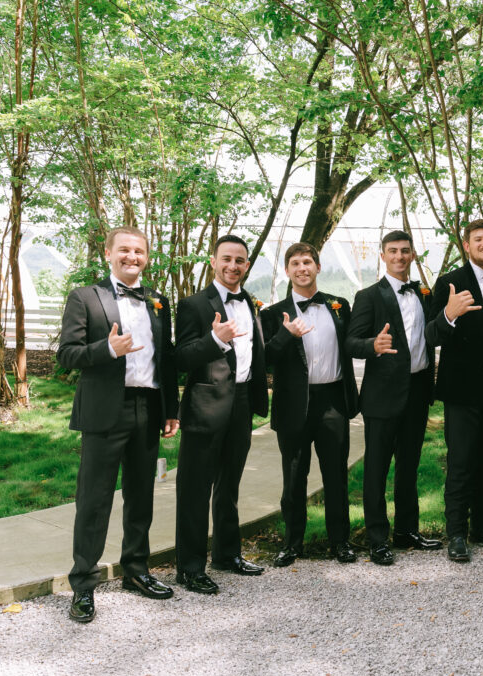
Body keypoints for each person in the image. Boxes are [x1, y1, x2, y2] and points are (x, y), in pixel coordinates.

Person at [57, 228, 180, 623]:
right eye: (124, 250)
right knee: (94, 500)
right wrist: (108, 348)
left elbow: (167, 360)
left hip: (148, 408)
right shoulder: (85, 297)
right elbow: (66, 355)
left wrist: (170, 409)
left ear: (147, 256)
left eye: (139, 251)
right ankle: (83, 585)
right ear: (108, 253)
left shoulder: (158, 301)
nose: (132, 257)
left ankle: (136, 571)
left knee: (141, 496)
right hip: (104, 412)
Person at [174, 234, 269, 594]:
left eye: (240, 260)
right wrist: (214, 341)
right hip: (205, 406)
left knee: (229, 485)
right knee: (195, 489)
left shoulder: (251, 303)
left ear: (246, 265)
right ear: (214, 261)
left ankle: (227, 554)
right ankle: (190, 567)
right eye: (226, 259)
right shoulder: (194, 304)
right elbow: (180, 358)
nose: (233, 266)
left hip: (241, 403)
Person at [345, 230, 442, 565]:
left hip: (417, 391)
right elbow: (351, 341)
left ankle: (406, 531)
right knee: (376, 470)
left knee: (409, 467)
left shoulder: (424, 294)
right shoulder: (369, 296)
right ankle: (377, 539)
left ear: (412, 255)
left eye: (405, 251)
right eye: (393, 251)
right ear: (383, 256)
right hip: (382, 396)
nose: (399, 257)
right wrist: (372, 345)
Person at [260, 243, 359, 567]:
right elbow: (264, 360)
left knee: (336, 477)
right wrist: (285, 335)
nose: (302, 268)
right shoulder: (273, 314)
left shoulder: (339, 306)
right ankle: (292, 544)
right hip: (293, 404)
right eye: (295, 263)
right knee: (294, 477)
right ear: (287, 271)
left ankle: (340, 542)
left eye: (307, 262)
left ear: (317, 267)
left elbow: (353, 344)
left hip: (332, 400)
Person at [426, 218, 483, 562]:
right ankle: (457, 534)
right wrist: (448, 316)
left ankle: (482, 524)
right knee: (462, 460)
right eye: (478, 239)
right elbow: (430, 336)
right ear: (467, 246)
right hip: (463, 388)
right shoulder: (450, 282)